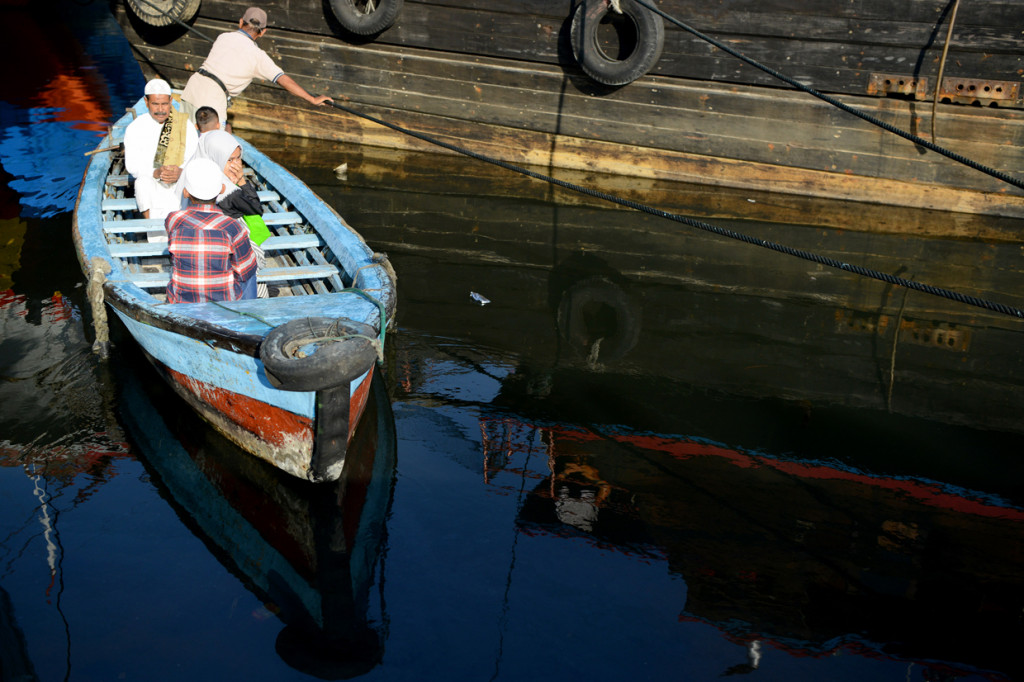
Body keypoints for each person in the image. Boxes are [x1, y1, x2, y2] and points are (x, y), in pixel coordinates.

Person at [180, 6, 332, 130]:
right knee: (212, 148)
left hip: (192, 87)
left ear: (241, 22)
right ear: (263, 32)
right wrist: (312, 99)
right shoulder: (258, 57)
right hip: (212, 99)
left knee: (181, 139)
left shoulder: (223, 37)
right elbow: (283, 79)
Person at [165, 158, 258, 303]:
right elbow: (245, 272)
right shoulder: (233, 226)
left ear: (186, 192)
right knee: (249, 270)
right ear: (222, 189)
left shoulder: (172, 219)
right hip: (224, 302)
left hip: (182, 302)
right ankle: (248, 309)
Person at [196, 129, 268, 297]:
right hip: (226, 248)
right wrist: (242, 181)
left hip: (209, 243)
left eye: (238, 158)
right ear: (217, 157)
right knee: (251, 261)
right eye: (229, 160)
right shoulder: (227, 190)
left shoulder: (199, 172)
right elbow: (256, 209)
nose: (236, 164)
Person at [123, 78, 199, 221]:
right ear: (146, 102)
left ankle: (186, 222)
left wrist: (181, 172)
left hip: (180, 182)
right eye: (155, 104)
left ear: (171, 101)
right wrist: (155, 172)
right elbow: (132, 166)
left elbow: (195, 159)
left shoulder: (185, 126)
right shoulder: (135, 128)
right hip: (153, 181)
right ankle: (152, 226)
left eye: (164, 104)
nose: (160, 110)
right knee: (141, 183)